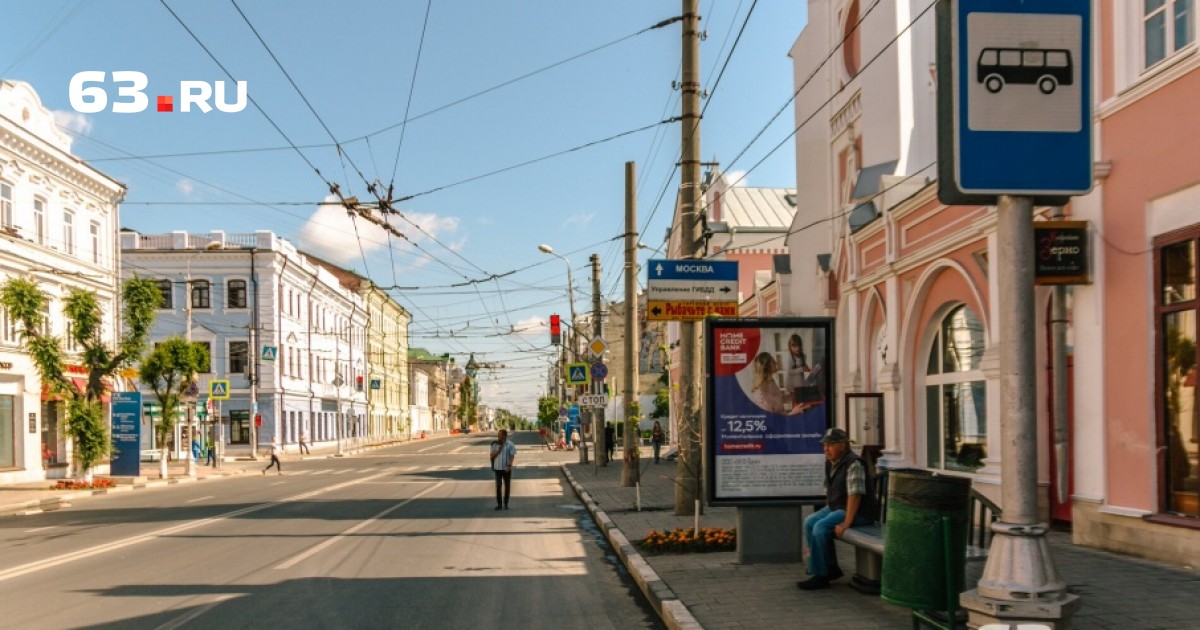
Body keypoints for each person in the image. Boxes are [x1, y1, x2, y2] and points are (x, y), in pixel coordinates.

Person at [798, 427, 878, 590]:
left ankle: (822, 575)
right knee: (809, 522)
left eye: (831, 445)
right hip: (838, 507)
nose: (826, 449)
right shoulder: (832, 462)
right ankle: (829, 569)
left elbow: (855, 495)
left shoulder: (854, 463)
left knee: (820, 528)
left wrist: (847, 522)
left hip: (859, 512)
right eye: (825, 445)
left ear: (843, 445)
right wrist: (828, 510)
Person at [490, 429, 517, 510]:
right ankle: (499, 504)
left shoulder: (510, 444)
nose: (498, 436)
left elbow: (512, 456)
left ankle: (506, 503)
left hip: (506, 469)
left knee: (507, 486)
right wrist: (498, 450)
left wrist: (509, 465)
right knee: (498, 486)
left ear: (504, 436)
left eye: (500, 435)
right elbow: (491, 456)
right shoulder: (494, 444)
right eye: (498, 435)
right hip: (498, 468)